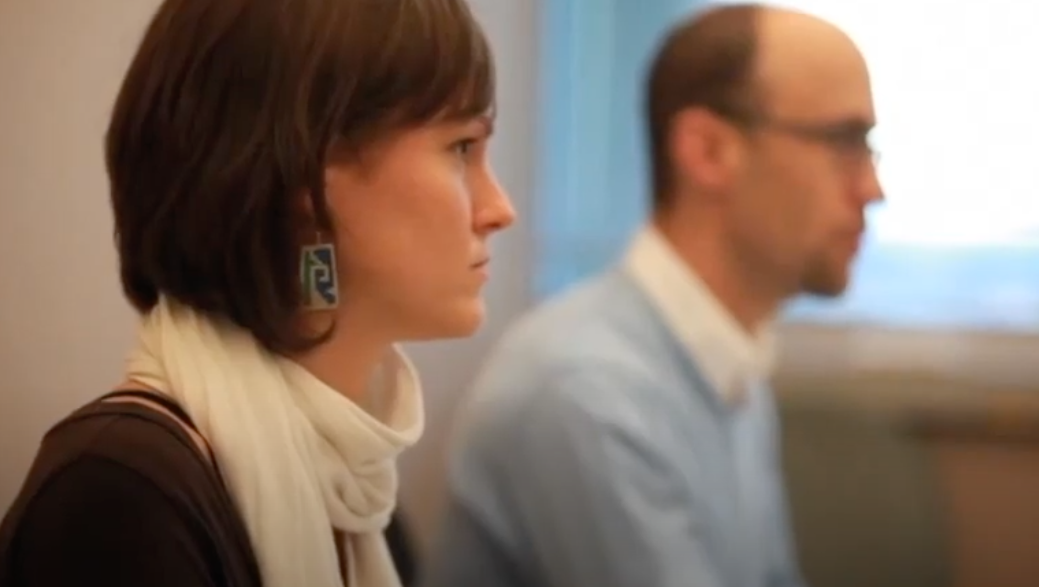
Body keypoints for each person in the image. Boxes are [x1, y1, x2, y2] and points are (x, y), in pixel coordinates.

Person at [0, 0, 514, 586]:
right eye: (462, 148)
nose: (500, 209)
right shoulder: (118, 496)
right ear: (306, 175)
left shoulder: (357, 487)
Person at [423, 4, 883, 587]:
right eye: (844, 142)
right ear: (708, 150)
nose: (872, 188)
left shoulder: (729, 362)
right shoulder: (584, 395)